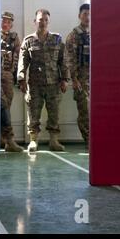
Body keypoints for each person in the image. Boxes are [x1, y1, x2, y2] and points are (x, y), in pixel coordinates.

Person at [17, 9, 69, 152]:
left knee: (54, 113)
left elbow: (63, 61)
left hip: (54, 84)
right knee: (33, 113)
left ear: (49, 22)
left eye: (46, 20)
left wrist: (65, 79)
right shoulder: (29, 41)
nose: (43, 22)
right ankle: (33, 141)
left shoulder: (57, 39)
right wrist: (21, 79)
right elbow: (23, 61)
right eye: (40, 20)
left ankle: (54, 141)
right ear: (35, 22)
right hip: (35, 85)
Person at [65, 4, 90, 149]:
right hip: (81, 80)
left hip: (97, 80)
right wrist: (74, 79)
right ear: (79, 15)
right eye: (85, 13)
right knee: (85, 111)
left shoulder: (97, 32)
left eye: (90, 14)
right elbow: (70, 59)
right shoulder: (74, 35)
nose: (88, 17)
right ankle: (89, 140)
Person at [0, 11, 23, 152]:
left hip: (8, 75)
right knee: (1, 105)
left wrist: (17, 76)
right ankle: (9, 139)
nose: (5, 24)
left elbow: (18, 57)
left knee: (6, 107)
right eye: (3, 21)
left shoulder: (14, 38)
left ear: (11, 24)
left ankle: (5, 139)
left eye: (8, 22)